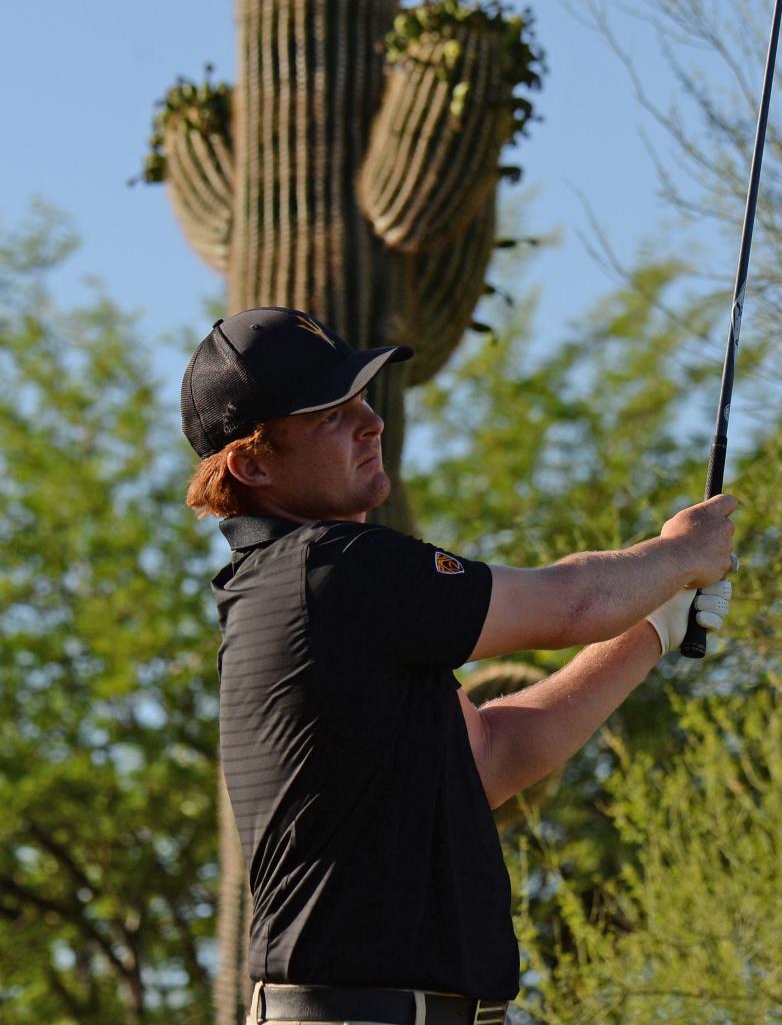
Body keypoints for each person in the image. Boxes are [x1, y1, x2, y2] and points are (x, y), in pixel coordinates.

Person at [182, 306, 736, 1025]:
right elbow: (573, 604)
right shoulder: (331, 570)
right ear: (252, 462)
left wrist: (655, 624)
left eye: (361, 401)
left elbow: (494, 756)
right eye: (329, 416)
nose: (370, 423)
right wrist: (685, 551)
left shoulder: (318, 593)